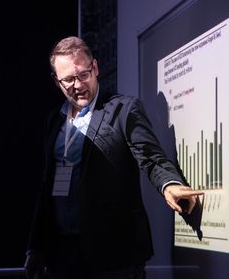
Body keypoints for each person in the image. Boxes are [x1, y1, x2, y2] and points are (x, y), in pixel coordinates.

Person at [24, 36, 202, 279]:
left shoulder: (123, 110)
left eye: (83, 74)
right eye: (68, 80)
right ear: (57, 81)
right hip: (63, 256)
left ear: (95, 68)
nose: (77, 85)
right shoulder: (54, 121)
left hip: (114, 258)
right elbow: (47, 188)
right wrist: (36, 248)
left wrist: (169, 184)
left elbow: (150, 157)